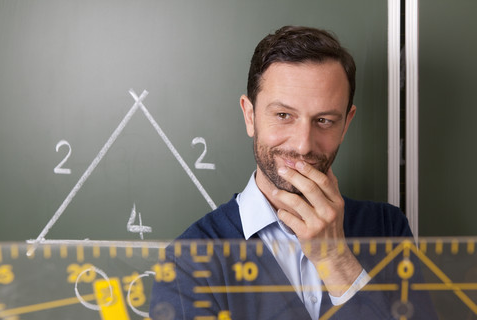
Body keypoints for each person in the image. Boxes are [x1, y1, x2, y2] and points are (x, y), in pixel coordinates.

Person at [149, 26, 436, 320]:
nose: (303, 145)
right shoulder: (188, 260)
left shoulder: (387, 228)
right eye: (283, 116)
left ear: (346, 124)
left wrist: (335, 260)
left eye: (324, 120)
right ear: (250, 116)